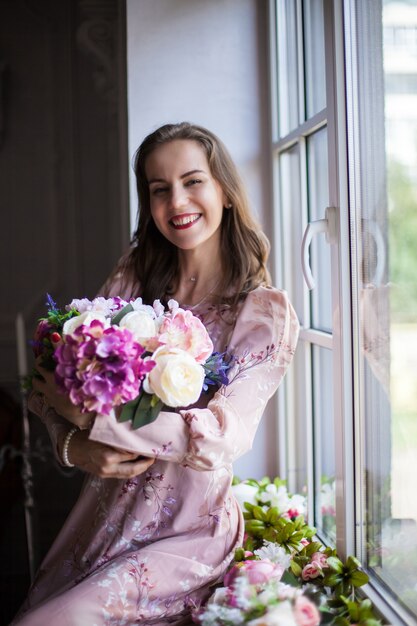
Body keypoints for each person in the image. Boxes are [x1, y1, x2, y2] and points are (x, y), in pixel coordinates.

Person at [13, 122, 299, 625]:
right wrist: (71, 445)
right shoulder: (134, 279)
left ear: (225, 191)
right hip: (100, 517)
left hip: (186, 535)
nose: (177, 201)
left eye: (193, 181)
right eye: (159, 189)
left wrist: (94, 420)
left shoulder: (262, 313)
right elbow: (48, 382)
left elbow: (217, 441)